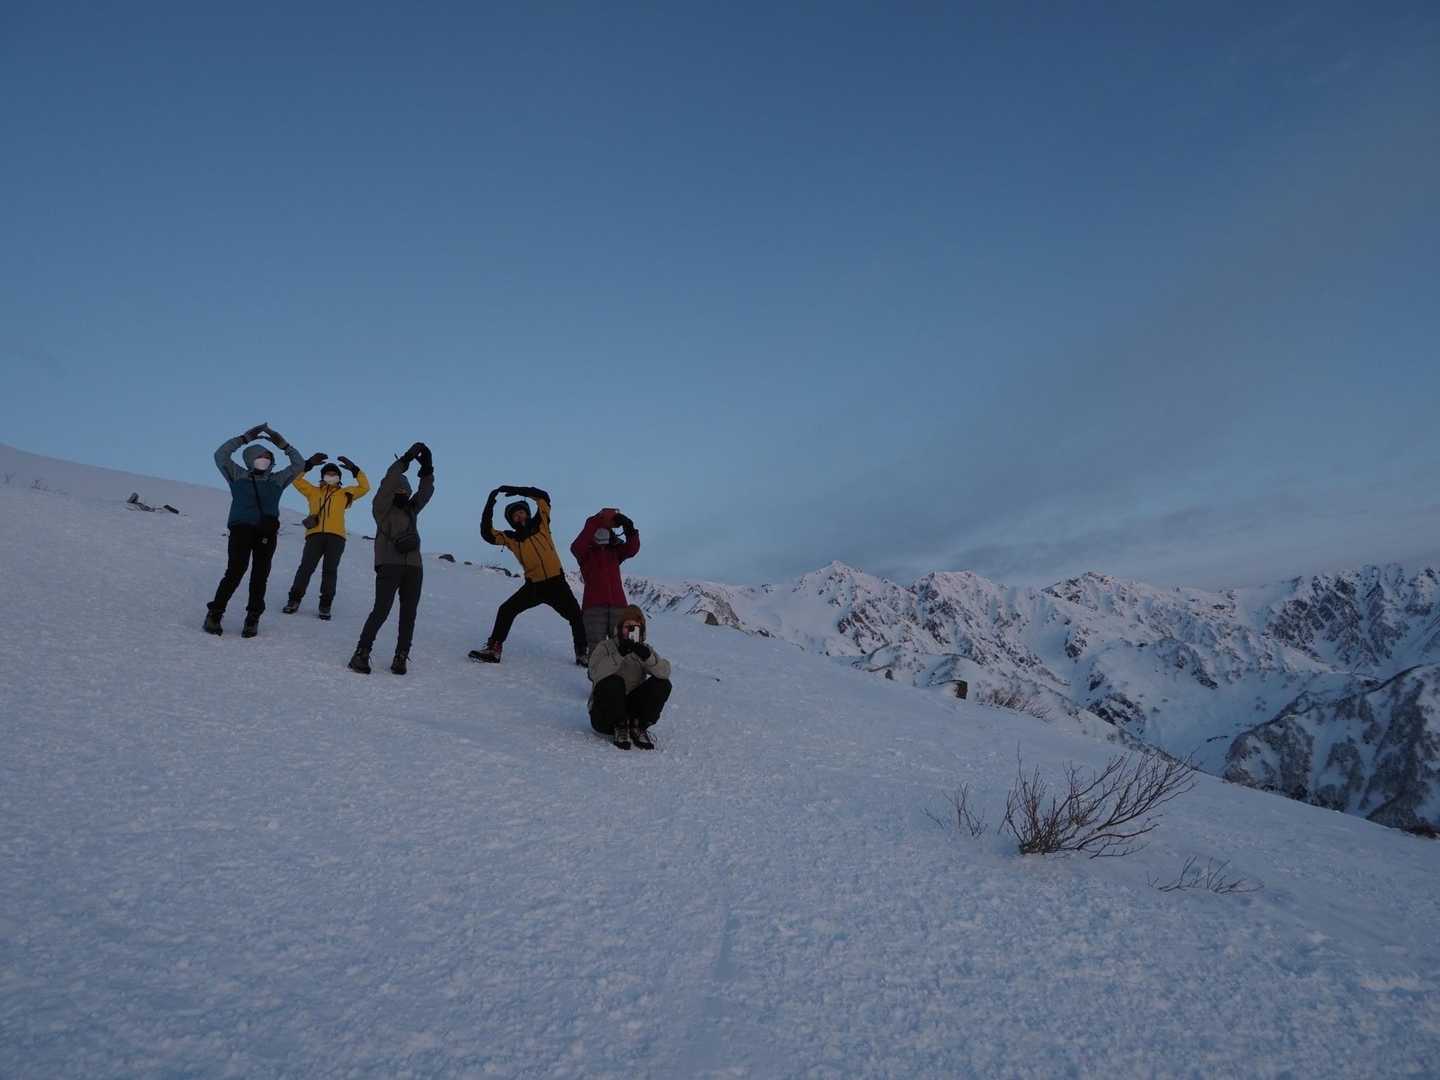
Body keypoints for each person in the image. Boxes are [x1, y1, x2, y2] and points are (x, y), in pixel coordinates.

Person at [204, 422, 310, 638]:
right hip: (241, 529)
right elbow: (220, 455)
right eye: (261, 456)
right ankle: (215, 614)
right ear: (250, 458)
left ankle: (253, 618)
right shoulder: (237, 474)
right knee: (235, 571)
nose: (265, 460)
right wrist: (244, 438)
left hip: (266, 533)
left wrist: (284, 445)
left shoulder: (277, 479)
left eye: (268, 457)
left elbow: (299, 464)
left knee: (260, 575)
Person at [470, 484, 587, 665]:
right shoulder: (511, 538)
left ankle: (582, 654)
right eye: (515, 515)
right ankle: (494, 650)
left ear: (528, 513)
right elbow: (487, 534)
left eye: (521, 512)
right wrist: (489, 505)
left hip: (557, 583)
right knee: (506, 610)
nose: (519, 516)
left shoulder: (542, 523)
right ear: (511, 521)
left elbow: (543, 497)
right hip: (534, 587)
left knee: (576, 616)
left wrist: (519, 490)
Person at [348, 442, 433, 675]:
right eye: (398, 490)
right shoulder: (382, 509)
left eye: (405, 490)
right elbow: (389, 481)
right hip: (389, 564)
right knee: (382, 610)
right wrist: (405, 459)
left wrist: (427, 468)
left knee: (409, 613)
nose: (402, 493)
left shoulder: (411, 510)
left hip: (414, 567)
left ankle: (401, 656)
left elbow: (425, 493)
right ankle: (361, 653)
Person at [282, 456, 371, 619]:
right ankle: (293, 600)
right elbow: (296, 480)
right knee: (306, 568)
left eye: (334, 474)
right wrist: (308, 465)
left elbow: (365, 487)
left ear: (339, 477)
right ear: (322, 476)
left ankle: (325, 605)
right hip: (314, 536)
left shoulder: (346, 493)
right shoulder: (313, 491)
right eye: (328, 473)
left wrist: (355, 469)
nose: (331, 476)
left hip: (336, 538)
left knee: (330, 571)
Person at [588, 606, 671, 750]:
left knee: (662, 684)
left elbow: (665, 672)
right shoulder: (606, 646)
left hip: (631, 711)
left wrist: (648, 658)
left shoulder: (643, 649)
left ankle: (638, 726)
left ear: (641, 630)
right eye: (628, 627)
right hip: (604, 715)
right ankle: (620, 727)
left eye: (635, 628)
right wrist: (619, 654)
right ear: (620, 627)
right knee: (614, 682)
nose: (630, 631)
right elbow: (594, 673)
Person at [571, 507, 640, 653]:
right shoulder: (586, 554)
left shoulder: (614, 551)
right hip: (594, 608)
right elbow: (576, 547)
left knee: (625, 649)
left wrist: (629, 528)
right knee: (597, 652)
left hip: (617, 606)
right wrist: (598, 519)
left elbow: (632, 548)